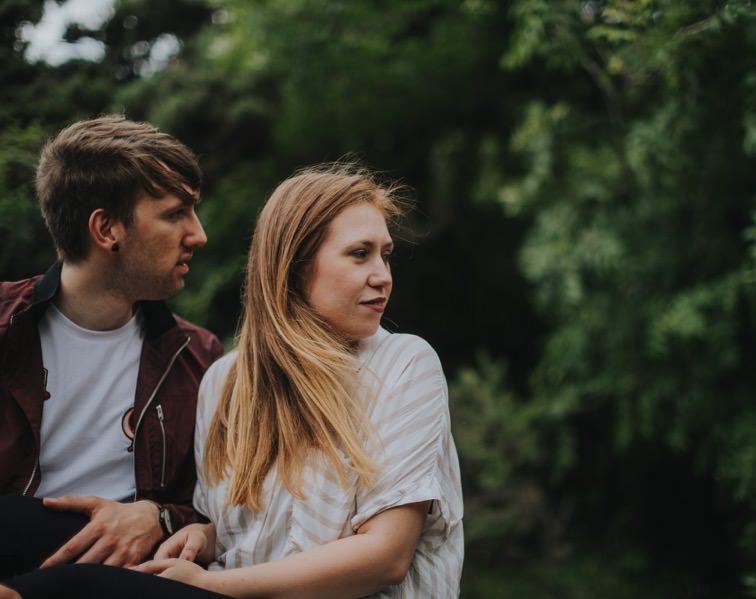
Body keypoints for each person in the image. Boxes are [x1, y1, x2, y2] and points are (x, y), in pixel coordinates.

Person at [2, 164, 464, 598]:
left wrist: (210, 585)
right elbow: (234, 527)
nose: (382, 276)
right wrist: (200, 537)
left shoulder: (404, 364)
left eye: (385, 255)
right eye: (360, 255)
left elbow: (386, 558)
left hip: (236, 592)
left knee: (75, 588)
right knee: (14, 526)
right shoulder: (224, 379)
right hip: (220, 585)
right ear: (294, 265)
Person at [0, 116, 223, 579]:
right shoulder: (5, 327)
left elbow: (214, 510)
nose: (198, 234)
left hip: (130, 573)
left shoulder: (197, 356)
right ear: (106, 230)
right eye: (175, 213)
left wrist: (156, 516)